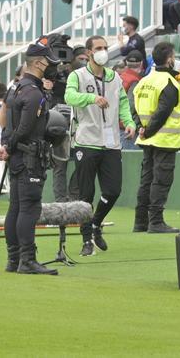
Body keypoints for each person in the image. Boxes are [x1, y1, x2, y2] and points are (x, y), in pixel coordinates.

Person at [64, 35, 136, 257]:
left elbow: (122, 102)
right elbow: (69, 97)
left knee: (113, 190)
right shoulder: (77, 75)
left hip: (111, 143)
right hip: (86, 141)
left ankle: (96, 224)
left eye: (105, 47)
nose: (103, 51)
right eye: (98, 48)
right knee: (86, 194)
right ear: (88, 52)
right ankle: (86, 240)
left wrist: (129, 122)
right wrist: (91, 98)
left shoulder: (114, 78)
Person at [0, 42, 61, 275]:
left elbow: (8, 122)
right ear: (40, 63)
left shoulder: (16, 88)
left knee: (16, 207)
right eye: (49, 63)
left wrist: (6, 146)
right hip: (29, 156)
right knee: (29, 208)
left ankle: (14, 259)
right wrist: (9, 146)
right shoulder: (34, 93)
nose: (52, 67)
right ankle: (27, 260)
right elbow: (24, 128)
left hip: (17, 155)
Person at [133, 41, 180, 234]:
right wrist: (148, 131)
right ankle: (155, 222)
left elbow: (134, 107)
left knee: (146, 180)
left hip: (147, 140)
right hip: (164, 140)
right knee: (161, 181)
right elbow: (163, 112)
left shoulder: (144, 81)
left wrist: (141, 128)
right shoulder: (170, 83)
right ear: (170, 59)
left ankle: (140, 221)